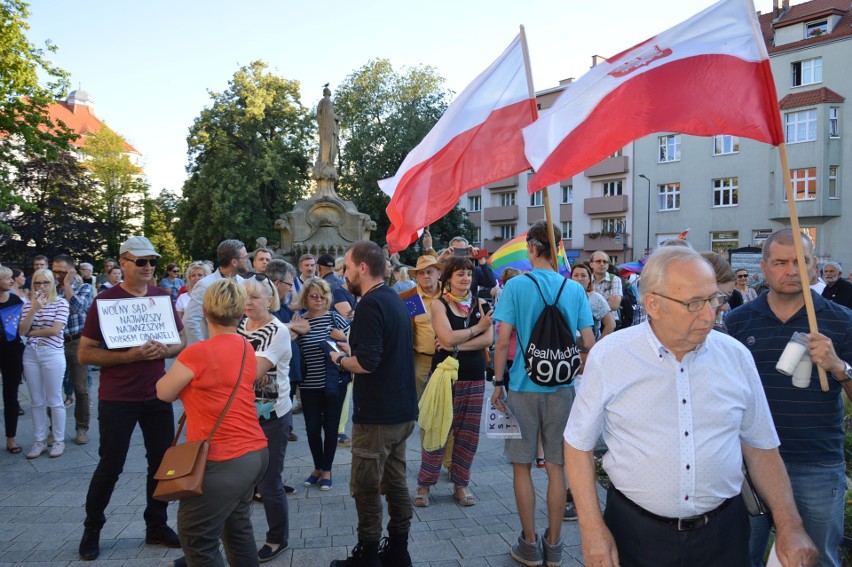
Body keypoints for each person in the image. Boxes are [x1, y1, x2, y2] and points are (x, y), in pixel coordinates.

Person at [564, 245, 817, 567]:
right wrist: (591, 529)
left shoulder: (736, 356)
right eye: (694, 303)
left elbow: (762, 448)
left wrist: (790, 525)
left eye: (713, 299)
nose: (710, 315)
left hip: (724, 534)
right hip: (634, 533)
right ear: (653, 304)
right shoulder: (611, 356)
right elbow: (577, 445)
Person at [726, 229, 852, 567]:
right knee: (740, 556)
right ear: (764, 268)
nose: (791, 270)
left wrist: (839, 367)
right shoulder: (736, 322)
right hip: (748, 465)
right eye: (781, 262)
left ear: (815, 266)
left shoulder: (842, 321)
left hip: (815, 464)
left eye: (801, 261)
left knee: (816, 558)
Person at [490, 221, 595, 567]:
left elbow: (503, 340)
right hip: (562, 388)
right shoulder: (574, 289)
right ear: (559, 248)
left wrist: (497, 383)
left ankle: (530, 545)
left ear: (533, 248)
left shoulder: (516, 286)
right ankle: (555, 546)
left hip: (522, 386)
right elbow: (589, 343)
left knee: (521, 467)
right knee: (556, 467)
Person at [77, 236, 186, 561]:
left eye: (152, 261)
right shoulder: (105, 301)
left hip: (156, 393)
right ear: (123, 263)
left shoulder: (161, 296)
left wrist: (164, 350)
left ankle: (156, 525)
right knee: (111, 465)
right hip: (117, 398)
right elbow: (84, 354)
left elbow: (179, 341)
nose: (149, 267)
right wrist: (130, 355)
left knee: (161, 464)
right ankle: (92, 529)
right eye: (141, 262)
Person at [156, 279, 269, 567]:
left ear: (205, 312)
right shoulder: (246, 346)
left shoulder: (197, 353)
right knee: (237, 529)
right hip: (254, 452)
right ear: (240, 313)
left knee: (197, 537)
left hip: (221, 459)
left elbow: (163, 392)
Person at [329, 240, 418, 567]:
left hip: (378, 416)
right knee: (394, 481)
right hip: (400, 411)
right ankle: (398, 551)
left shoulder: (369, 304)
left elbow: (366, 362)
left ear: (363, 267)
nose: (344, 275)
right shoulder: (392, 298)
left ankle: (367, 556)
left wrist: (338, 359)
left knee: (365, 487)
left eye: (348, 268)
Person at [415, 256, 492, 508]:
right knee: (438, 430)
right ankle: (424, 485)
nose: (466, 278)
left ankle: (461, 484)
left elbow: (487, 340)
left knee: (467, 434)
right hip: (445, 377)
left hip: (474, 377)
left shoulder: (480, 303)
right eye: (460, 274)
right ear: (448, 278)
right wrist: (476, 329)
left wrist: (458, 344)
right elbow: (445, 338)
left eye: (469, 274)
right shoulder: (439, 305)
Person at [237, 276, 293, 562]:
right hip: (241, 416)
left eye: (255, 297)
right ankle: (232, 539)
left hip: (271, 416)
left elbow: (253, 371)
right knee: (239, 483)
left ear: (270, 300)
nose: (248, 302)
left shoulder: (278, 330)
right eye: (244, 296)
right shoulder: (238, 326)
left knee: (270, 482)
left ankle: (277, 539)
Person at [296, 278, 350, 491]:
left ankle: (326, 469)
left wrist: (343, 337)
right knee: (311, 429)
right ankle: (317, 467)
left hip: (335, 384)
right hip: (309, 385)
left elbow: (353, 346)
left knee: (330, 427)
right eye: (313, 296)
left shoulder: (336, 319)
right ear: (305, 298)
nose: (318, 299)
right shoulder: (300, 321)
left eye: (322, 295)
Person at [18, 268, 69, 459]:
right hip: (31, 353)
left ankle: (58, 440)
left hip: (52, 353)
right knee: (36, 401)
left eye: (45, 283)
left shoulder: (61, 303)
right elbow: (22, 330)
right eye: (37, 283)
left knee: (54, 399)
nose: (41, 287)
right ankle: (39, 441)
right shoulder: (28, 305)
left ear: (53, 284)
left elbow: (55, 330)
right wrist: (34, 310)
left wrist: (31, 332)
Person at [52, 253, 94, 446]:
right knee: (52, 390)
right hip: (55, 343)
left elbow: (78, 307)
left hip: (77, 342)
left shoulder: (84, 287)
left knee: (80, 388)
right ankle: (55, 430)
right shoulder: (50, 288)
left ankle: (82, 428)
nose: (57, 276)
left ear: (71, 271)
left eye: (61, 272)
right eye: (55, 272)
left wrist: (67, 286)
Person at [184, 239, 248, 345]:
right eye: (245, 257)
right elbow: (190, 320)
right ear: (234, 262)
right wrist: (203, 349)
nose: (247, 260)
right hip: (212, 350)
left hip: (238, 347)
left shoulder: (243, 283)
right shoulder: (205, 285)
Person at [0, 266, 26, 454]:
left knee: (11, 395)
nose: (12, 281)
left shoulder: (16, 299)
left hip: (12, 352)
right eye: (7, 278)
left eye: (12, 278)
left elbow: (18, 328)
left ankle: (11, 438)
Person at [571, 263, 615, 341]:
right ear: (571, 279)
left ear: (589, 280)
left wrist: (598, 346)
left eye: (583, 275)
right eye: (576, 275)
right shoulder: (565, 297)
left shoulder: (595, 298)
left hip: (589, 350)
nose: (579, 278)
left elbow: (611, 324)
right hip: (569, 350)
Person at [589, 250, 623, 328]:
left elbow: (614, 305)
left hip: (611, 322)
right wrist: (606, 302)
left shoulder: (615, 279)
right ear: (591, 264)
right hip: (591, 322)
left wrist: (592, 305)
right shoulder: (588, 280)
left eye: (605, 261)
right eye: (598, 261)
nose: (602, 264)